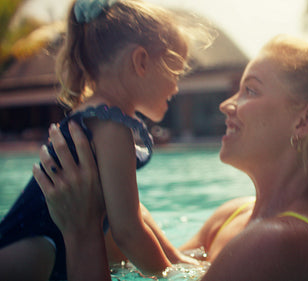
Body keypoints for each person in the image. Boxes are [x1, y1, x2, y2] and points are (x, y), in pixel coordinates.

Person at [35, 35, 308, 281]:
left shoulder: (278, 241)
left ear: (304, 121)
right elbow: (158, 272)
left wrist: (81, 231)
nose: (227, 104)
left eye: (251, 90)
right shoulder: (233, 217)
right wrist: (115, 210)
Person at [0, 0, 202, 279]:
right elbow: (128, 232)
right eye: (175, 71)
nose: (176, 86)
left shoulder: (96, 115)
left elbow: (134, 212)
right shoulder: (111, 125)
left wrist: (178, 259)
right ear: (141, 61)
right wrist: (175, 276)